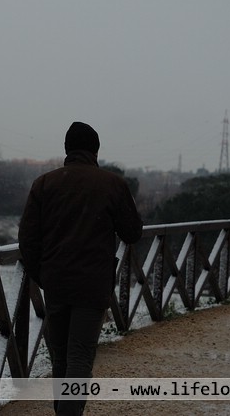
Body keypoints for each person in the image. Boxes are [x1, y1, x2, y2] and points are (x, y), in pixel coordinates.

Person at [18, 121, 143, 415]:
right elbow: (133, 233)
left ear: (66, 149)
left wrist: (44, 273)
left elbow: (27, 239)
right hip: (93, 285)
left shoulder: (44, 184)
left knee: (61, 359)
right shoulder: (112, 184)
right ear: (95, 150)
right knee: (80, 358)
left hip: (56, 283)